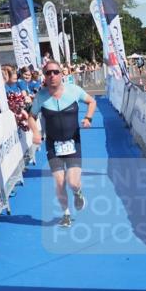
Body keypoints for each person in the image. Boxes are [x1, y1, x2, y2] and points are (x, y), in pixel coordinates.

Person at [28, 61, 97, 228]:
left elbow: (92, 102)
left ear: (61, 74)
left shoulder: (73, 90)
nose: (52, 76)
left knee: (72, 182)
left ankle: (77, 193)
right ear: (44, 76)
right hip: (53, 145)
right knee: (59, 182)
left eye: (55, 72)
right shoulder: (41, 96)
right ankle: (65, 213)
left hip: (73, 142)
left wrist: (88, 118)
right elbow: (31, 116)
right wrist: (36, 133)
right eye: (48, 73)